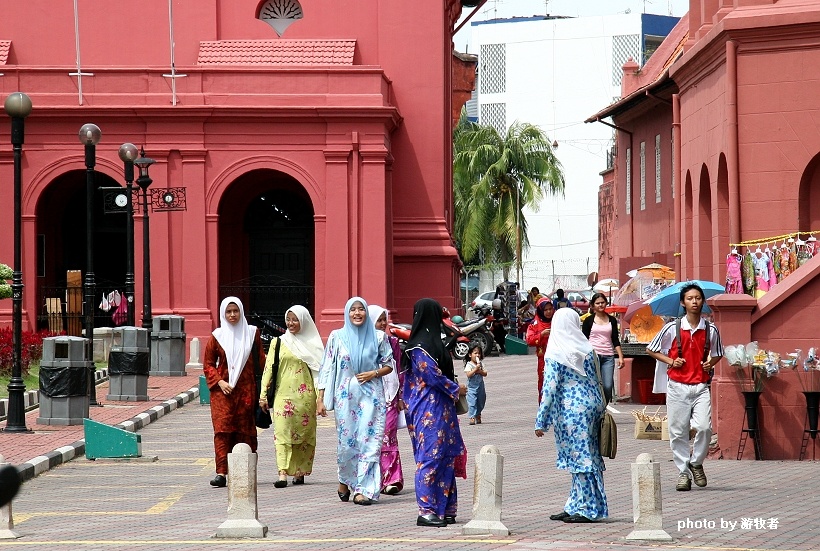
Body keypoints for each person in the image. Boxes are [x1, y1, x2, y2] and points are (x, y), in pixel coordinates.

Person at [316, 297, 394, 506]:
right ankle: (345, 479)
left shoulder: (378, 337)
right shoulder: (337, 337)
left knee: (370, 443)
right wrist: (320, 398)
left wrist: (373, 373)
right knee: (347, 443)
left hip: (372, 398)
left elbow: (389, 364)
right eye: (353, 310)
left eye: (361, 310)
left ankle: (364, 489)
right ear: (347, 313)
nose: (357, 313)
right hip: (345, 400)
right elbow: (326, 367)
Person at [646, 283, 723, 492]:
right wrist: (671, 361)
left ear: (702, 301)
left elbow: (718, 353)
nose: (695, 302)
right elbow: (651, 350)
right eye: (690, 298)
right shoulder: (672, 328)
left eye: (698, 298)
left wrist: (710, 363)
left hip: (700, 386)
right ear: (683, 303)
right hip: (677, 386)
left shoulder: (710, 329)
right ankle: (683, 472)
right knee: (678, 431)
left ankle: (696, 462)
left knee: (704, 428)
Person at [534, 308, 608, 523]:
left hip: (571, 411)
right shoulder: (587, 347)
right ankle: (576, 504)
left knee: (581, 460)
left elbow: (549, 389)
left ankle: (587, 508)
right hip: (592, 407)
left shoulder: (557, 350)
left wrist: (541, 421)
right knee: (589, 456)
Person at [403, 298, 466, 528]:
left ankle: (447, 508)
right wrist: (455, 389)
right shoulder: (418, 347)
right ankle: (427, 510)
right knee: (430, 456)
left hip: (444, 408)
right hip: (427, 409)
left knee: (446, 456)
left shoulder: (437, 344)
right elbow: (431, 375)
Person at [203, 296, 265, 488]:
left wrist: (265, 391)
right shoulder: (217, 336)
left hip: (246, 391)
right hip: (223, 393)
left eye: (235, 311)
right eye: (228, 312)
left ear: (241, 312)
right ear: (223, 313)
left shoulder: (252, 333)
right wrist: (220, 382)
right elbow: (208, 364)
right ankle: (221, 472)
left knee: (246, 431)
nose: (232, 315)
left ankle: (247, 471)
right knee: (222, 431)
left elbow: (261, 363)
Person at [259, 305, 323, 488]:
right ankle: (282, 473)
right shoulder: (278, 342)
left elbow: (319, 373)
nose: (291, 323)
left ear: (303, 321)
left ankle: (300, 471)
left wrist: (320, 398)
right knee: (282, 434)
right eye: (289, 319)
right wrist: (263, 395)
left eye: (295, 319)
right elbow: (268, 369)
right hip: (282, 396)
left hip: (305, 398)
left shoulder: (313, 345)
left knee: (304, 435)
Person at [368, 304, 405, 495]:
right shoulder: (364, 344)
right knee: (370, 439)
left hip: (389, 397)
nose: (383, 323)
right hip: (368, 397)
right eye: (379, 320)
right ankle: (372, 479)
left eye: (385, 319)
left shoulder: (393, 343)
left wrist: (399, 397)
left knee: (388, 437)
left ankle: (392, 479)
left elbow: (397, 370)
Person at [581, 293, 625, 404]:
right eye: (597, 303)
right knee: (593, 384)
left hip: (608, 356)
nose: (600, 305)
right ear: (592, 305)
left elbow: (615, 339)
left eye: (602, 302)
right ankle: (595, 409)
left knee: (607, 385)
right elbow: (583, 340)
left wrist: (620, 356)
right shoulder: (588, 321)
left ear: (606, 303)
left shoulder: (612, 320)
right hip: (593, 357)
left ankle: (603, 410)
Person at [526, 297, 554, 403]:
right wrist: (541, 335)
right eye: (545, 310)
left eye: (550, 309)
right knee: (543, 385)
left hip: (559, 359)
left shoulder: (557, 320)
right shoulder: (535, 324)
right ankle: (543, 411)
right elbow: (529, 340)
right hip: (544, 360)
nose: (548, 312)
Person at [463, 343, 487, 425]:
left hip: (480, 386)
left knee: (481, 401)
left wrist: (480, 370)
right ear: (470, 354)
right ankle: (472, 416)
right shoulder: (469, 365)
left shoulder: (481, 364)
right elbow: (468, 374)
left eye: (479, 353)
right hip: (472, 387)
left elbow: (485, 373)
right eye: (475, 353)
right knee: (472, 402)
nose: (477, 355)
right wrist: (475, 369)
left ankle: (478, 414)